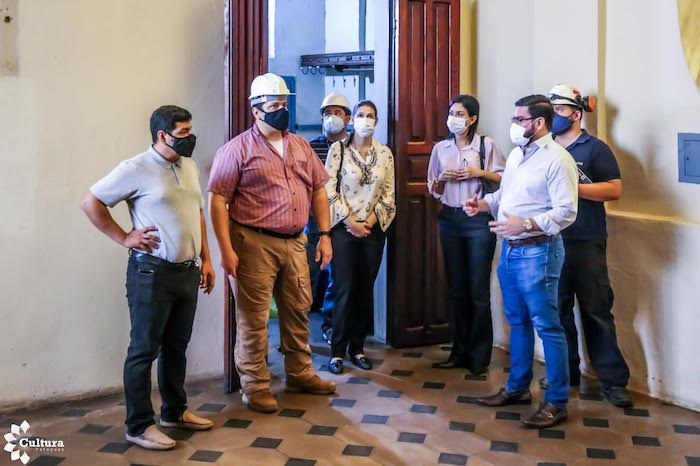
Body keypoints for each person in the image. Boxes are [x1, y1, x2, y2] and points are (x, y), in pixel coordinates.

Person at [80, 105, 215, 450]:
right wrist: (125, 237)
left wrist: (207, 260)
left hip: (187, 271)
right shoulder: (136, 169)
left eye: (189, 130)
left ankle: (175, 412)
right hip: (150, 272)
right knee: (144, 350)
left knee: (176, 347)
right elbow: (91, 202)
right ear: (162, 135)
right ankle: (139, 426)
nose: (190, 138)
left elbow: (197, 214)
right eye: (183, 133)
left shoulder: (188, 167)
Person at [208, 73, 336, 414]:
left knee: (298, 310)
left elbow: (319, 190)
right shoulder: (235, 150)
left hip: (296, 243)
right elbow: (218, 200)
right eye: (273, 106)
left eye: (284, 104)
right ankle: (255, 385)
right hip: (252, 243)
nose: (281, 111)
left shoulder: (300, 145)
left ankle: (300, 372)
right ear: (256, 110)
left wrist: (325, 235)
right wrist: (226, 250)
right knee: (254, 318)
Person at [466, 95, 578, 428]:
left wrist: (526, 224)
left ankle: (556, 401)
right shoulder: (517, 154)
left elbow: (566, 211)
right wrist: (484, 203)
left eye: (520, 119)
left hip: (539, 251)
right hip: (511, 250)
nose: (514, 125)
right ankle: (517, 388)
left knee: (548, 326)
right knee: (518, 321)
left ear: (538, 123)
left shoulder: (557, 159)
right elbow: (507, 196)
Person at [543, 83, 632, 407]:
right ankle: (566, 373)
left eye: (561, 110)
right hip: (553, 240)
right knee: (558, 310)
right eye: (551, 110)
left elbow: (614, 189)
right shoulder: (545, 149)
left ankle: (613, 380)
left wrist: (573, 189)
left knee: (596, 311)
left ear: (576, 114)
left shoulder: (595, 149)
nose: (555, 116)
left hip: (586, 240)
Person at [427, 95, 506, 375]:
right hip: (450, 218)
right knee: (457, 289)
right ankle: (458, 350)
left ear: (472, 118)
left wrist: (477, 171)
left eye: (459, 113)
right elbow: (433, 187)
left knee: (477, 289)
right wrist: (442, 180)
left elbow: (504, 179)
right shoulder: (441, 148)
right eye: (451, 113)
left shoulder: (486, 145)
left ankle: (479, 356)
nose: (454, 118)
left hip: (477, 218)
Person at [325, 100, 396, 375]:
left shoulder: (385, 154)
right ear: (351, 120)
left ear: (376, 121)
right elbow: (328, 190)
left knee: (364, 290)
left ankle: (358, 348)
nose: (366, 120)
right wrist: (351, 222)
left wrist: (370, 222)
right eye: (361, 115)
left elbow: (389, 195)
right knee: (344, 288)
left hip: (373, 229)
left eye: (371, 116)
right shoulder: (338, 150)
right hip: (344, 229)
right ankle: (337, 353)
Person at [306, 92, 352, 345]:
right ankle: (298, 336)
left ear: (347, 118)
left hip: (345, 222)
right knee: (308, 277)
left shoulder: (355, 148)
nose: (331, 118)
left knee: (341, 278)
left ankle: (335, 328)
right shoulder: (311, 148)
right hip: (314, 223)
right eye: (327, 113)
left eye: (337, 113)